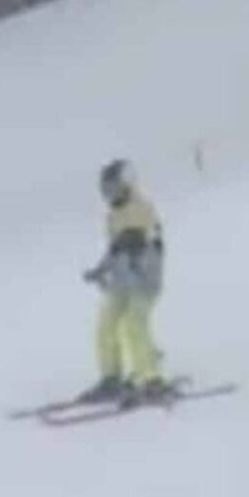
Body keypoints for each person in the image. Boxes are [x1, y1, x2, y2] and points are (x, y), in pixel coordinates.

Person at [78, 159, 170, 405]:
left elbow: (149, 241)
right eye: (106, 190)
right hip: (122, 282)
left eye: (114, 188)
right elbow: (115, 248)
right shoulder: (113, 216)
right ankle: (111, 377)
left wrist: (136, 247)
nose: (109, 195)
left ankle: (151, 379)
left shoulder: (141, 207)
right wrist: (101, 270)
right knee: (105, 324)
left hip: (143, 281)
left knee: (134, 323)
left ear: (126, 185)